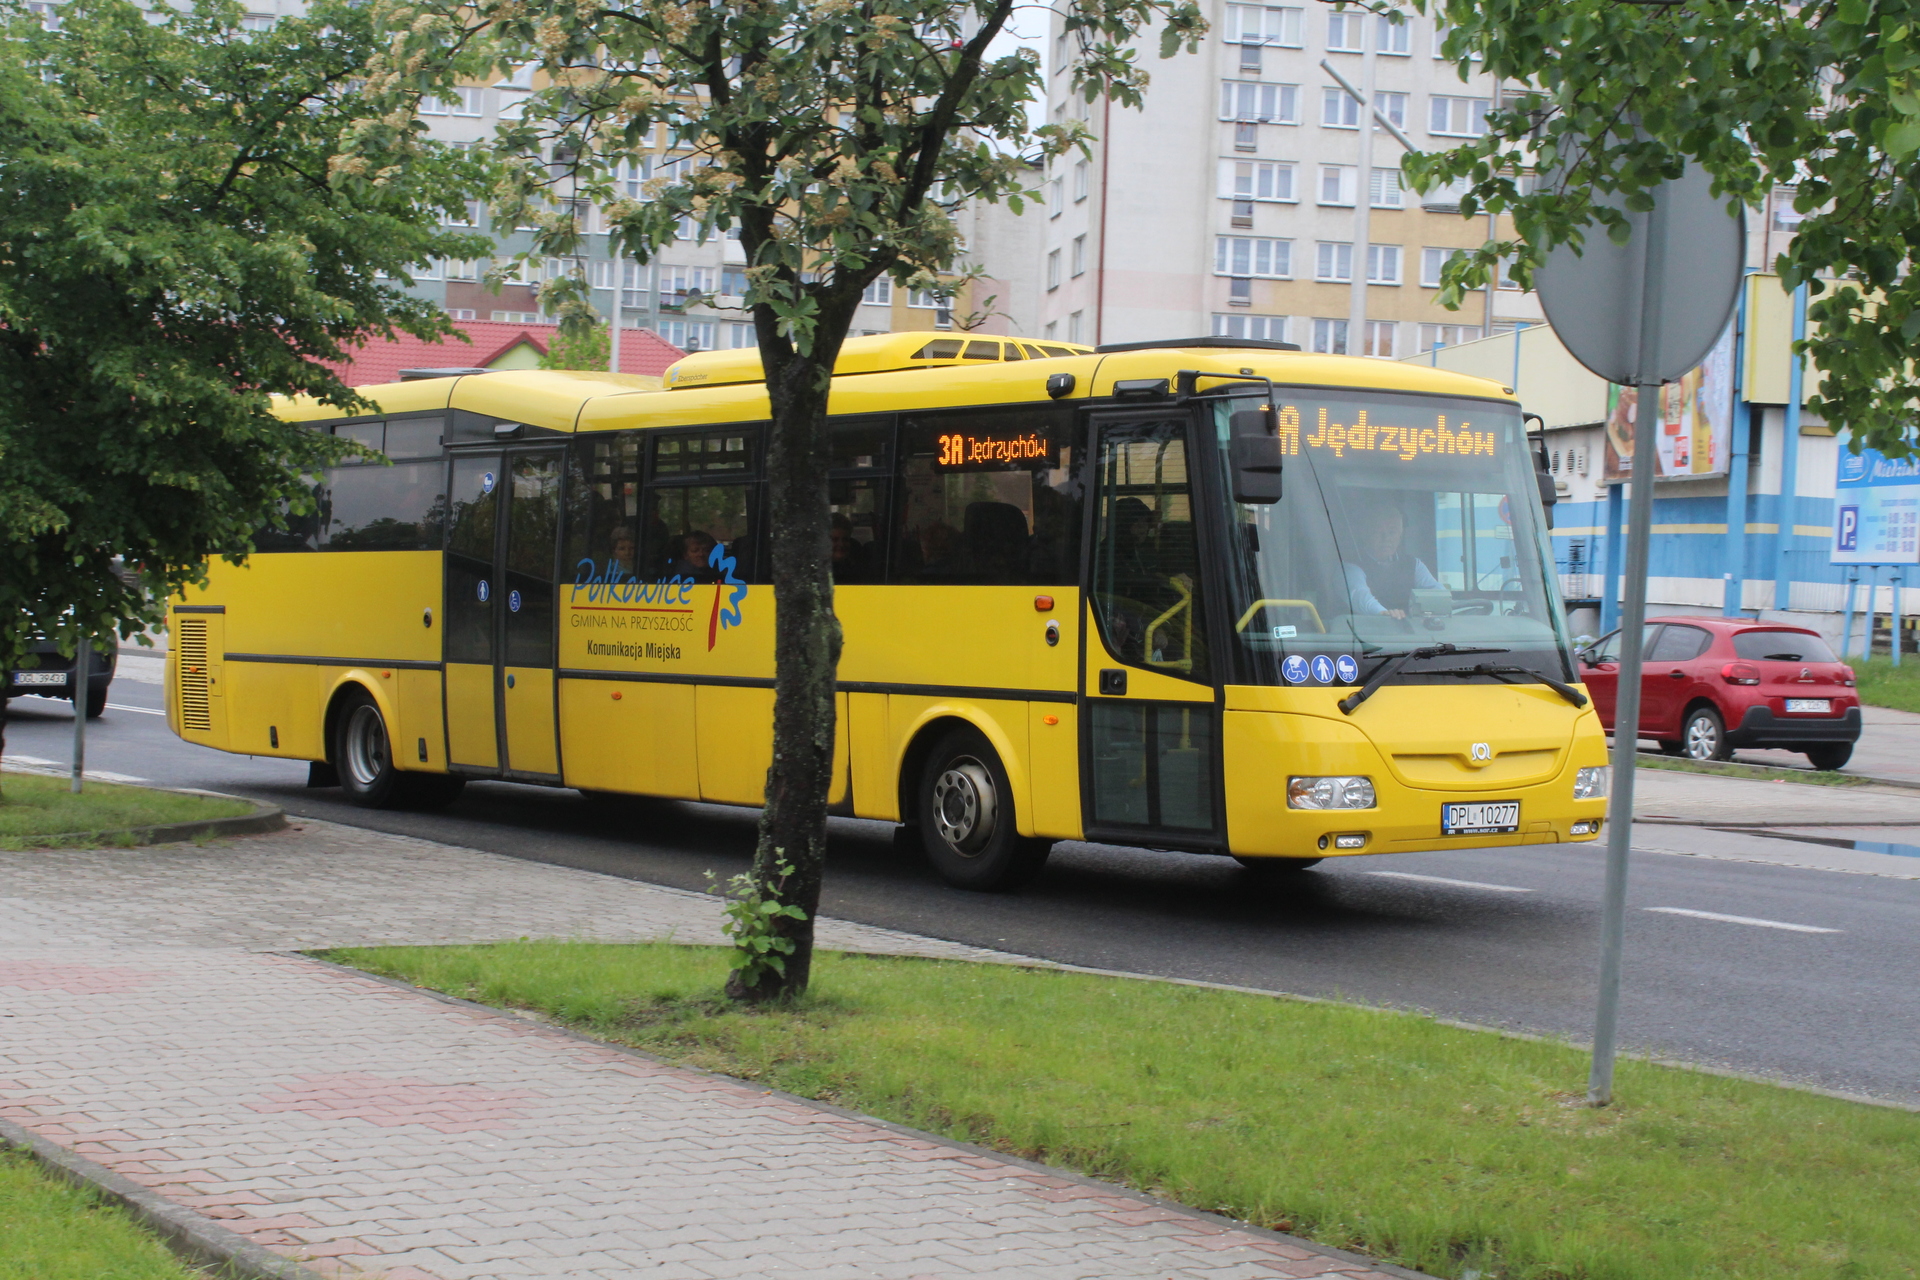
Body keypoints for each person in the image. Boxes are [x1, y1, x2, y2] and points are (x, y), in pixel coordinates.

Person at [1342, 502, 1440, 618]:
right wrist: (1385, 614)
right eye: (1378, 531)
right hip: (1367, 633)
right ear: (1364, 534)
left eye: (1392, 532)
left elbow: (1437, 594)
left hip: (1413, 633)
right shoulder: (1350, 567)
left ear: (1400, 535)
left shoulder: (1414, 564)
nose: (1386, 538)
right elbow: (1359, 597)